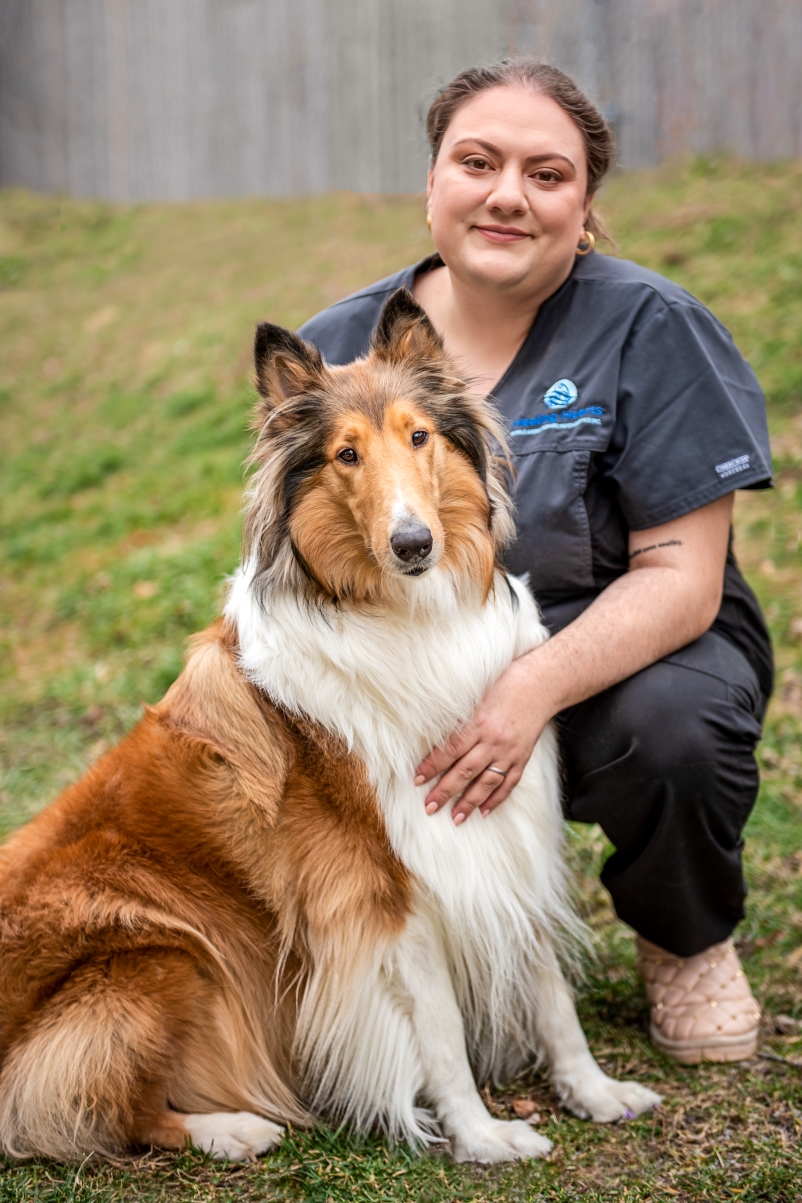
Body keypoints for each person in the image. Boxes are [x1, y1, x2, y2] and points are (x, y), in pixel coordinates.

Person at [297, 59, 773, 1065]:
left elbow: (681, 577)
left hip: (620, 658)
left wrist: (525, 693)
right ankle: (397, 956)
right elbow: (308, 565)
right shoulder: (335, 346)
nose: (507, 194)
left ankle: (684, 938)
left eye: (546, 174)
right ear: (431, 184)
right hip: (412, 664)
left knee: (674, 731)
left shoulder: (653, 328)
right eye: (477, 162)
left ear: (584, 206)